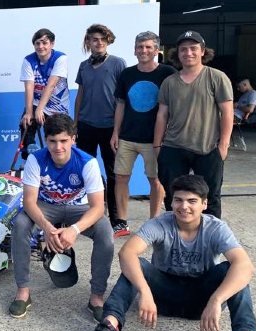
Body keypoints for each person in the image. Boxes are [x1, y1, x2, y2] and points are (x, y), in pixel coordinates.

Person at [86, 175, 256, 331]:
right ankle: (110, 327)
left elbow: (245, 266)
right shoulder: (160, 223)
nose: (184, 206)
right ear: (171, 201)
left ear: (204, 204)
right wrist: (145, 292)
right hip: (162, 299)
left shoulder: (216, 228)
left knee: (234, 270)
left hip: (203, 301)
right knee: (136, 265)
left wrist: (216, 300)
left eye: (192, 201)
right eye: (178, 200)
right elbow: (127, 253)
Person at [8, 113, 114, 321]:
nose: (58, 147)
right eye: (53, 141)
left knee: (105, 233)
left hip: (78, 208)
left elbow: (98, 208)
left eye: (64, 141)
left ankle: (97, 296)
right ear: (46, 140)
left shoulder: (87, 162)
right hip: (46, 206)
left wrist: (74, 230)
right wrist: (47, 228)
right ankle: (23, 291)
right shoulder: (35, 159)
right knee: (20, 225)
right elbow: (29, 201)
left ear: (73, 139)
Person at [154, 30, 233, 219]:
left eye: (193, 48)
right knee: (173, 197)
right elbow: (162, 115)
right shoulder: (169, 82)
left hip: (208, 148)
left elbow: (227, 112)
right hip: (174, 147)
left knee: (210, 197)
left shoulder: (217, 77)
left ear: (203, 51)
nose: (188, 53)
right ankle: (176, 237)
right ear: (177, 53)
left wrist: (223, 144)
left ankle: (209, 240)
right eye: (183, 49)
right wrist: (158, 145)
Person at [111, 31, 176, 234]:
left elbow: (173, 106)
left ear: (157, 50)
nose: (144, 50)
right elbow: (120, 105)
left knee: (155, 180)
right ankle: (121, 221)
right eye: (140, 46)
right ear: (134, 49)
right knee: (121, 177)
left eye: (148, 47)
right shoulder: (127, 74)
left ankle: (154, 222)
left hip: (154, 139)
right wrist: (115, 132)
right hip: (127, 137)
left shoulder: (168, 73)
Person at [74, 24, 127, 237]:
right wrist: (75, 122)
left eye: (103, 39)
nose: (99, 43)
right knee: (86, 173)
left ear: (108, 41)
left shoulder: (117, 64)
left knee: (113, 173)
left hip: (109, 128)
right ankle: (88, 215)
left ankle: (117, 220)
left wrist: (117, 130)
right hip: (86, 125)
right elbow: (81, 94)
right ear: (88, 42)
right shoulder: (83, 66)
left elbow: (122, 98)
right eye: (94, 39)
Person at [19, 28, 69, 147]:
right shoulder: (28, 60)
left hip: (57, 105)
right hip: (36, 103)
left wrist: (40, 109)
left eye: (44, 42)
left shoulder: (60, 58)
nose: (40, 46)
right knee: (26, 123)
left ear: (52, 44)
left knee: (57, 135)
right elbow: (29, 86)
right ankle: (29, 154)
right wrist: (29, 112)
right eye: (37, 43)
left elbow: (51, 85)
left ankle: (56, 159)